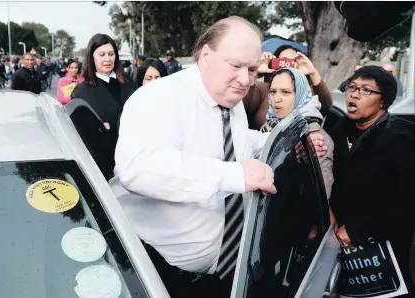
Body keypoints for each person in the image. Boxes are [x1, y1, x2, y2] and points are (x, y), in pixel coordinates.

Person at [109, 16, 327, 298]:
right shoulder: (157, 98)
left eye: (251, 69)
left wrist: (280, 143)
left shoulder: (230, 100)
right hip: (161, 277)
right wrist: (233, 175)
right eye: (235, 65)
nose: (245, 79)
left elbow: (235, 142)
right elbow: (137, 169)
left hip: (228, 274)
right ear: (206, 54)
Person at [329, 66, 415, 296]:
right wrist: (328, 210)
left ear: (383, 101)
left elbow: (406, 206)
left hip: (385, 255)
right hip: (340, 249)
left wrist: (358, 229)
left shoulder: (402, 139)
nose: (354, 95)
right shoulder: (339, 129)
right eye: (352, 87)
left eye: (366, 90)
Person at [261, 67, 334, 198]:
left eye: (285, 92)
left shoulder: (312, 134)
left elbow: (321, 196)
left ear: (300, 94)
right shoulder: (272, 124)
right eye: (273, 92)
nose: (277, 98)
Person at [71, 33, 133, 168]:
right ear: (92, 57)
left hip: (130, 158)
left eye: (111, 54)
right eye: (102, 54)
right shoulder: (81, 92)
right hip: (100, 163)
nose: (107, 59)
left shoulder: (128, 83)